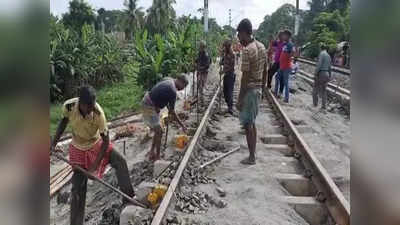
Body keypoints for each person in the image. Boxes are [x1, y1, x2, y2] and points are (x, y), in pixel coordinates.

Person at [50, 86, 135, 225]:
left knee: (121, 162)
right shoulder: (69, 106)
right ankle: (76, 222)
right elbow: (63, 123)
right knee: (77, 187)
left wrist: (94, 168)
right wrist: (53, 144)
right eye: (88, 107)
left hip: (97, 144)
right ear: (81, 104)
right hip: (78, 148)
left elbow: (106, 142)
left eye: (93, 106)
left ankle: (129, 198)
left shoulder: (98, 113)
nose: (91, 110)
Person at [236, 18, 267, 165]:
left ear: (243, 33)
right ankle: (253, 154)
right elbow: (266, 68)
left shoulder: (248, 50)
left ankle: (252, 157)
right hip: (258, 89)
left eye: (239, 35)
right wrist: (264, 87)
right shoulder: (261, 47)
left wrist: (240, 99)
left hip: (249, 91)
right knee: (252, 123)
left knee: (248, 125)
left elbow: (245, 78)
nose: (238, 38)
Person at [142, 75, 189, 161]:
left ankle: (152, 151)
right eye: (184, 86)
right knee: (159, 131)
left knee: (158, 129)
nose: (182, 89)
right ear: (179, 81)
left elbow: (159, 92)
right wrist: (182, 125)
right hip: (148, 106)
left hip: (148, 101)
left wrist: (157, 104)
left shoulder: (169, 79)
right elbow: (172, 112)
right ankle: (158, 157)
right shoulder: (172, 91)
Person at [274, 29, 295, 103]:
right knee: (277, 77)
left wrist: (287, 57)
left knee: (286, 82)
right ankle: (276, 93)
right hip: (282, 66)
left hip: (286, 66)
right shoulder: (285, 44)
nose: (283, 36)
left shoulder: (290, 44)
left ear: (288, 36)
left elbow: (292, 53)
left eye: (284, 35)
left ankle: (286, 98)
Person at [313, 44, 332, 111]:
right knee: (324, 91)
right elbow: (330, 67)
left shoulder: (321, 54)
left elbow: (319, 64)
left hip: (321, 73)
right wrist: (330, 75)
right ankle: (324, 106)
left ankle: (315, 104)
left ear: (321, 48)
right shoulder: (329, 56)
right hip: (326, 73)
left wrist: (315, 73)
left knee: (315, 88)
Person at [219, 39, 236, 115]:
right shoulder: (226, 54)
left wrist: (223, 71)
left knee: (229, 92)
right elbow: (223, 62)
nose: (224, 48)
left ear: (227, 47)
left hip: (230, 75)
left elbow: (231, 67)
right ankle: (229, 106)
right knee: (225, 92)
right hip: (226, 75)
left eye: (224, 47)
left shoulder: (232, 54)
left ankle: (230, 108)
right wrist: (221, 62)